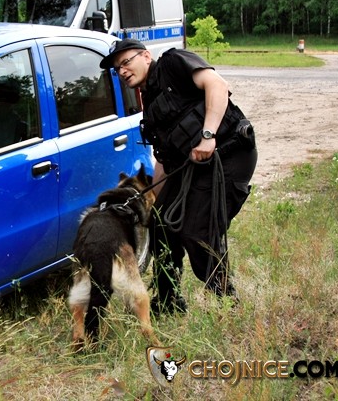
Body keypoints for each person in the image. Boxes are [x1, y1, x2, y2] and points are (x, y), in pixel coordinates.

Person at [99, 39, 257, 314]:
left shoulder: (173, 63)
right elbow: (164, 159)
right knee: (160, 223)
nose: (122, 71)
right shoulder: (149, 100)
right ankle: (168, 301)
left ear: (145, 56)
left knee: (196, 232)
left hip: (229, 155)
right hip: (192, 167)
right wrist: (154, 199)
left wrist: (208, 135)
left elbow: (217, 85)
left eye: (126, 62)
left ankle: (229, 303)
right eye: (117, 69)